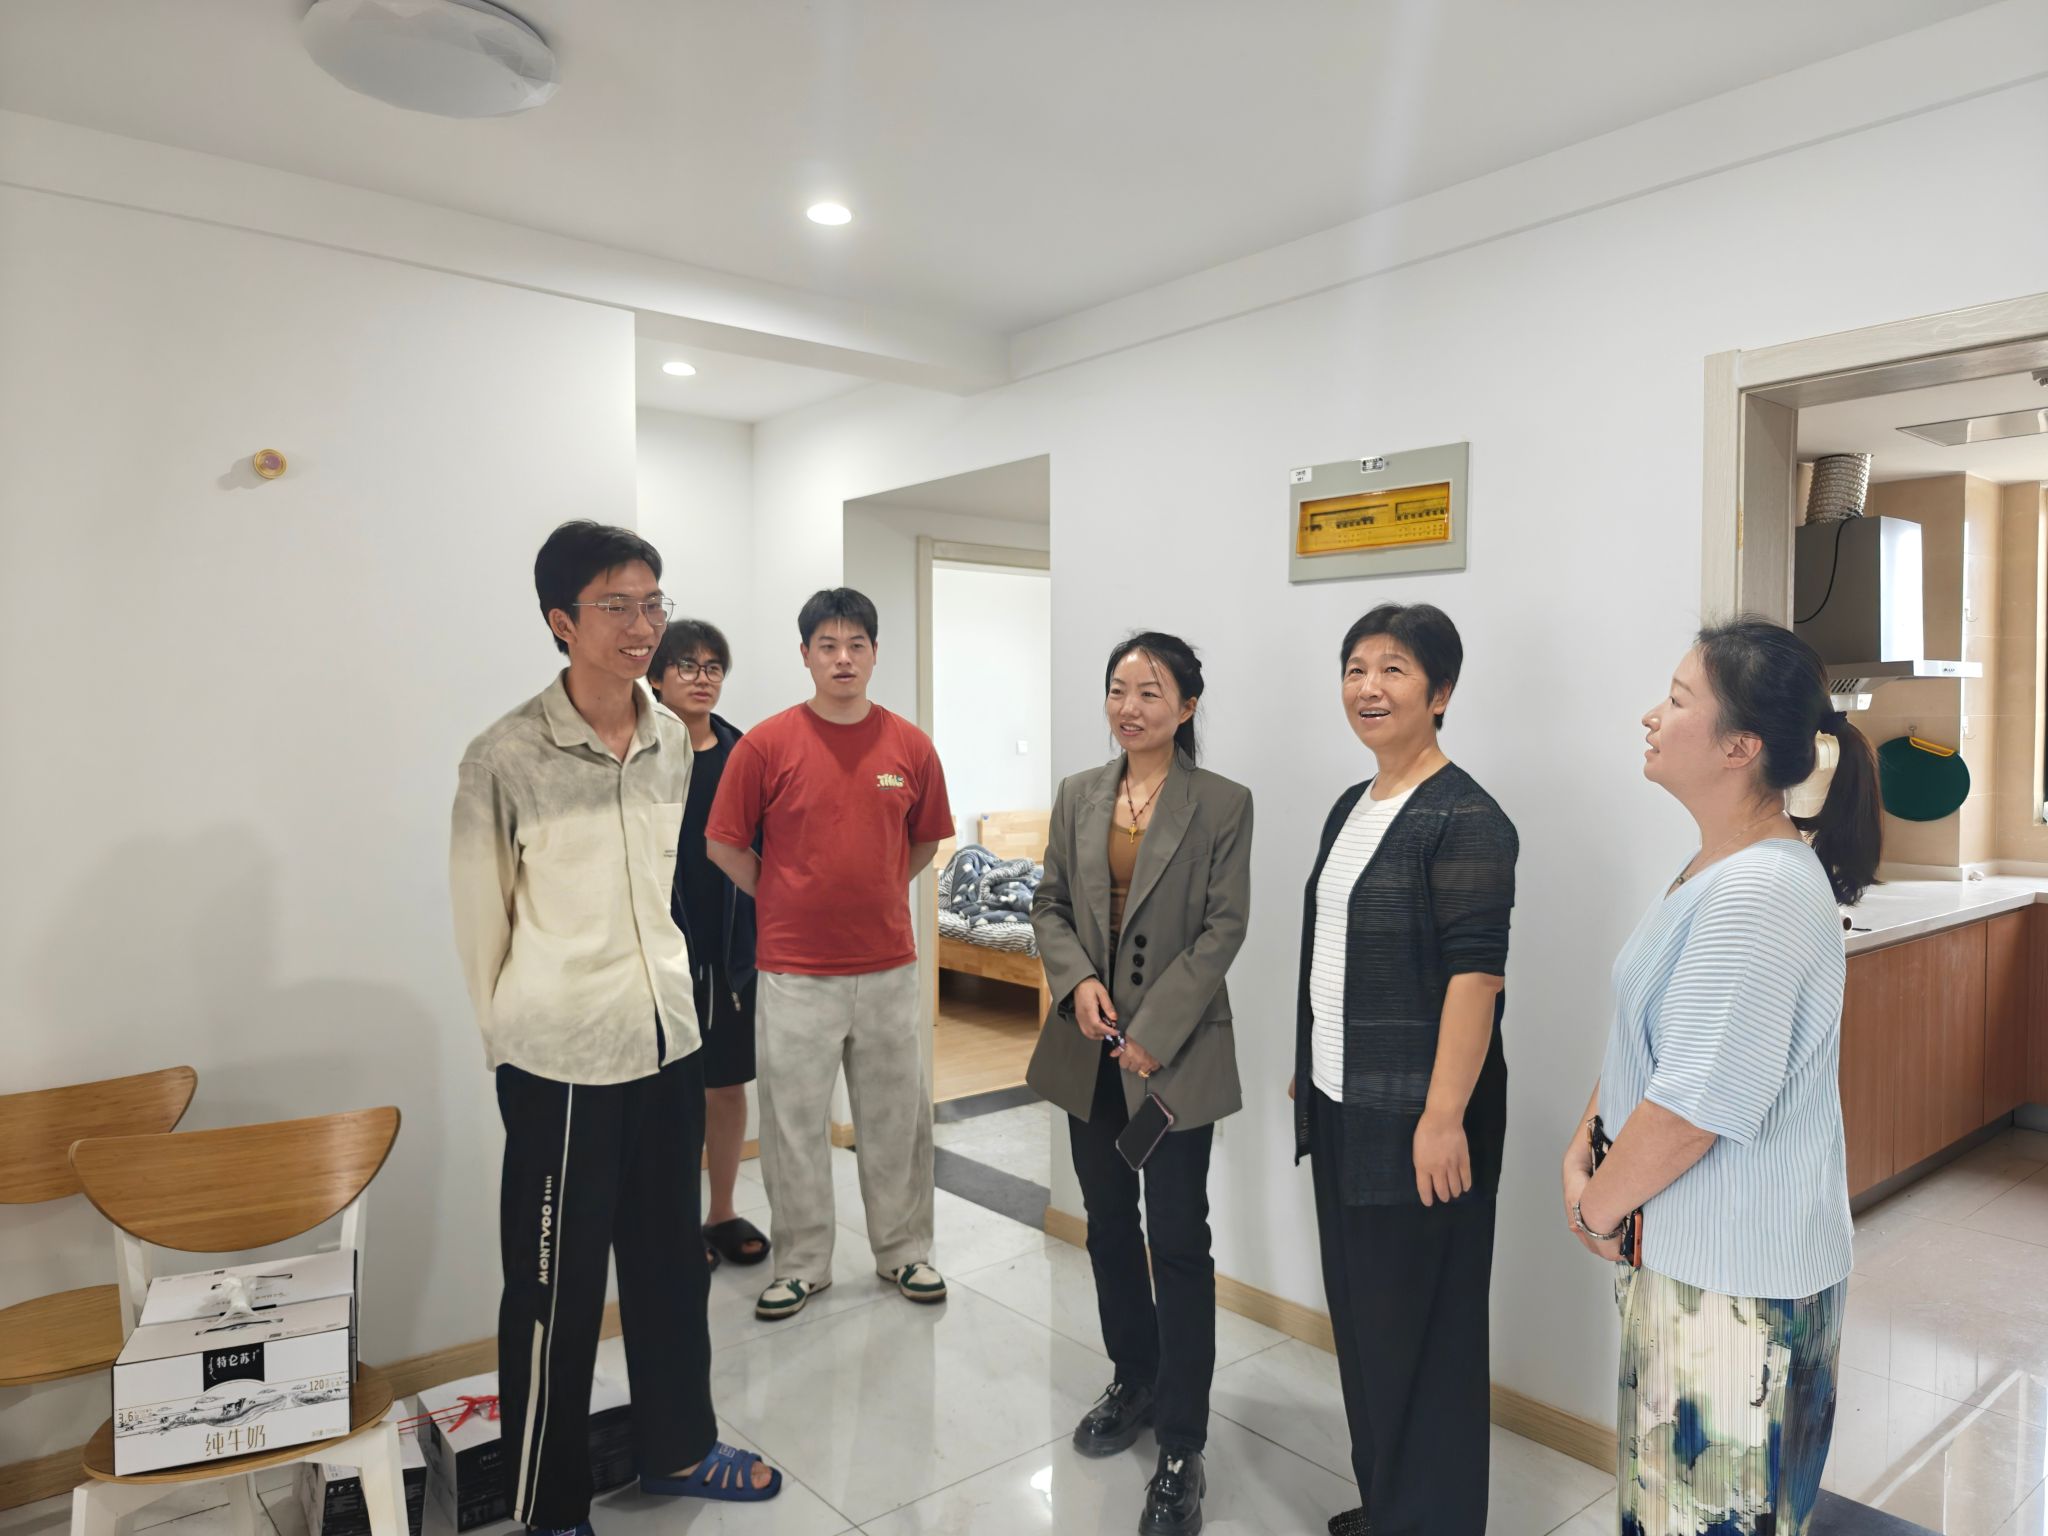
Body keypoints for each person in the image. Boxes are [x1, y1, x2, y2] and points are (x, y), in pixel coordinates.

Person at [449, 521, 780, 1534]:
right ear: (561, 621)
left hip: (665, 1040)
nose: (643, 626)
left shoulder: (673, 738)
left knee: (670, 1265)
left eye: (652, 602)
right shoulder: (505, 755)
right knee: (552, 1290)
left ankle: (678, 1447)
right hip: (560, 1059)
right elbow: (480, 922)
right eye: (617, 606)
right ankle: (549, 1508)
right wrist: (512, 1049)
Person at [1562, 617, 1879, 1536]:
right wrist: (1583, 1146)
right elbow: (1655, 1036)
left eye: (1677, 699)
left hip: (1737, 1293)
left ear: (1740, 747)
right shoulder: (1718, 866)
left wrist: (1595, 1208)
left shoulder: (1759, 892)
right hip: (1695, 1265)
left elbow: (1693, 1108)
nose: (1651, 716)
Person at [1292, 603, 1518, 1536]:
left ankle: (1432, 1521)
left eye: (1393, 669)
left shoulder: (1467, 817)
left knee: (1428, 1334)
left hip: (1423, 1121)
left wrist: (1442, 1116)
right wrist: (1312, 1066)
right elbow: (1336, 950)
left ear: (1441, 692)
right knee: (1367, 1325)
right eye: (1355, 668)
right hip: (1345, 1104)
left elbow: (1476, 979)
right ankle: (1390, 1506)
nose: (1368, 687)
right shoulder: (1353, 805)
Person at [1029, 631, 1252, 1536]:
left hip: (1174, 1056)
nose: (1130, 707)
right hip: (1088, 1047)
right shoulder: (1078, 793)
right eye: (1118, 689)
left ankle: (1184, 1443)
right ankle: (1135, 1376)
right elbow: (1048, 902)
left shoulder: (1222, 803)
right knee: (1109, 1227)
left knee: (1179, 1239)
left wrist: (1154, 1032)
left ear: (1187, 706)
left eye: (1151, 692)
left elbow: (1224, 928)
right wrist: (1077, 982)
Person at [705, 587, 954, 1321]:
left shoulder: (910, 746)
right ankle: (803, 1264)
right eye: (828, 646)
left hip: (888, 966)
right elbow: (723, 845)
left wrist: (878, 884)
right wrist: (782, 895)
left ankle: (904, 1252)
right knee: (792, 1126)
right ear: (806, 655)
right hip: (794, 972)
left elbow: (926, 841)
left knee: (895, 1121)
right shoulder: (766, 745)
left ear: (874, 653)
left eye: (856, 645)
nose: (843, 659)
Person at [648, 619, 769, 1274]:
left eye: (713, 667)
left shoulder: (744, 754)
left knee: (726, 1088)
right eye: (687, 666)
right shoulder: (638, 754)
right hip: (660, 954)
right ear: (656, 678)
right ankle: (672, 1225)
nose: (702, 678)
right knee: (670, 1097)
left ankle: (720, 1212)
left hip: (731, 956)